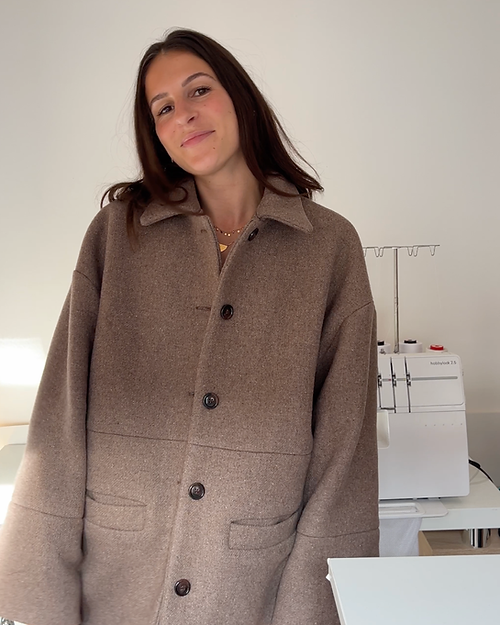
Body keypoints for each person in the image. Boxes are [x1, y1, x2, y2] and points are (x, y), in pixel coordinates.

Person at [0, 28, 379, 625]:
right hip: (117, 581)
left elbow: (344, 449)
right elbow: (60, 417)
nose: (184, 115)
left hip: (252, 586)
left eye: (199, 90)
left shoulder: (329, 246)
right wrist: (41, 596)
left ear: (240, 97)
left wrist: (309, 607)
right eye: (163, 108)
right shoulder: (118, 235)